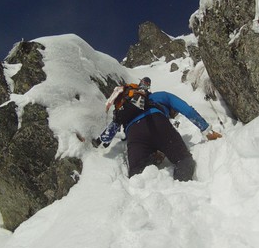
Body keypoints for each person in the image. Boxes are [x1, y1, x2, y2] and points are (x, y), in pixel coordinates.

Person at [93, 77, 221, 181]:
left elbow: (116, 123)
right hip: (158, 123)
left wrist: (101, 142)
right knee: (183, 160)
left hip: (134, 133)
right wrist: (206, 129)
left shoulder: (127, 105)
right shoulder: (161, 96)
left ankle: (153, 158)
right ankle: (182, 188)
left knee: (137, 175)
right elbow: (186, 109)